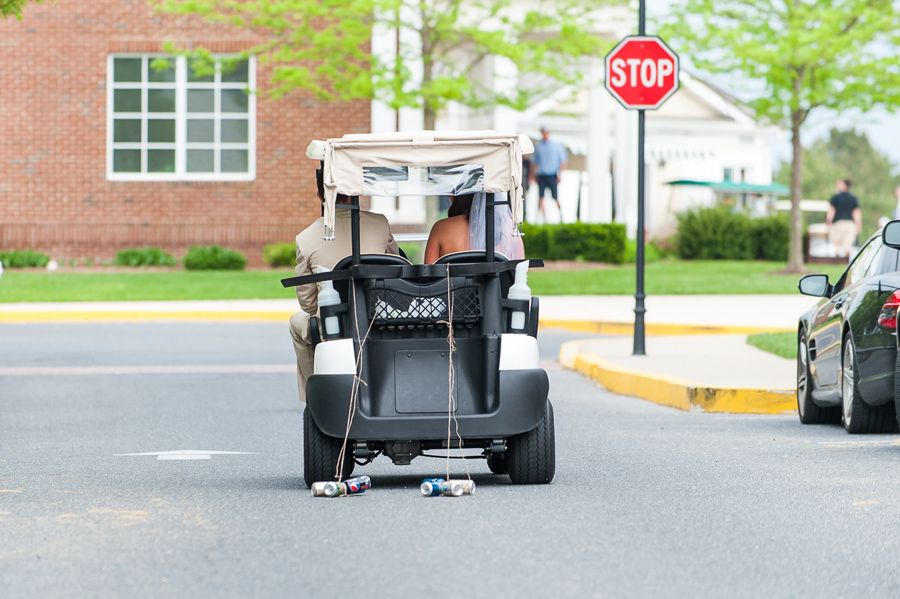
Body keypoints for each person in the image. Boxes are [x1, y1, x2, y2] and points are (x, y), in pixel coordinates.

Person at [289, 171, 399, 402]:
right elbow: (397, 270)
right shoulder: (380, 223)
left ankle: (316, 396)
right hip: (379, 319)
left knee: (296, 324)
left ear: (321, 195)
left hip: (334, 325)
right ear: (355, 191)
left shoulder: (306, 238)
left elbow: (308, 305)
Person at [424, 192, 525, 264]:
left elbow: (430, 280)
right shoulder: (511, 230)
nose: (448, 195)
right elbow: (519, 277)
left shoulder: (441, 229)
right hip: (499, 294)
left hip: (453, 294)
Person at [529, 126, 568, 222]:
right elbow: (534, 163)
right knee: (541, 197)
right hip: (542, 175)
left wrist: (560, 174)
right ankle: (543, 218)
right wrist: (532, 175)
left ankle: (561, 216)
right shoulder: (538, 147)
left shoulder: (557, 146)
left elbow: (563, 162)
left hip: (552, 175)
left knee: (555, 197)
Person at [825, 178, 861, 258]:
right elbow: (856, 213)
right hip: (849, 224)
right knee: (847, 243)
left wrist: (828, 222)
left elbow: (831, 211)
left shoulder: (835, 197)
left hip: (838, 223)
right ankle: (846, 257)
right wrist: (858, 225)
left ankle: (838, 258)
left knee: (836, 242)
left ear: (844, 185)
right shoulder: (853, 198)